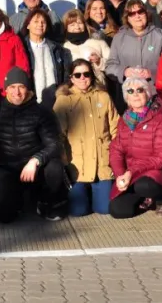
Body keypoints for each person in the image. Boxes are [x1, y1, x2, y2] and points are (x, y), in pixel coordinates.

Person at [0, 67, 67, 222]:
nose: (17, 92)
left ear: (28, 88)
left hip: (36, 167)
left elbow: (54, 144)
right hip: (9, 167)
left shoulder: (41, 111)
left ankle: (46, 200)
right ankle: (16, 199)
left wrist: (35, 160)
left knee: (54, 167)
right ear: (6, 89)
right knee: (4, 216)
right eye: (12, 87)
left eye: (21, 86)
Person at [53, 59, 118, 216]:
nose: (82, 78)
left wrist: (115, 156)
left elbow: (115, 128)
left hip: (102, 163)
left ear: (92, 76)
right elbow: (58, 135)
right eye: (78, 75)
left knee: (104, 209)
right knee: (79, 211)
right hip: (77, 165)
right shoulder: (64, 100)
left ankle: (97, 193)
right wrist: (64, 163)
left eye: (86, 74)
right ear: (71, 78)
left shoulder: (103, 97)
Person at [108, 75, 162, 219]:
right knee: (117, 210)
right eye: (130, 91)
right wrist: (120, 175)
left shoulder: (160, 118)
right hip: (131, 174)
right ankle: (145, 200)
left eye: (140, 90)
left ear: (147, 93)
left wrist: (131, 172)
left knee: (144, 185)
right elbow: (116, 150)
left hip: (156, 172)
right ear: (126, 97)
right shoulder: (124, 120)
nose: (135, 94)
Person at [104, 0, 162, 112]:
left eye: (140, 12)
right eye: (132, 13)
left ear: (146, 13)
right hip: (129, 99)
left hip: (155, 95)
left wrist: (151, 73)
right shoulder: (119, 38)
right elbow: (110, 67)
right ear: (127, 18)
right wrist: (124, 71)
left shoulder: (160, 35)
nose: (137, 16)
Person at [21, 8, 66, 109]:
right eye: (36, 21)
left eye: (43, 22)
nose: (40, 24)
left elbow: (64, 73)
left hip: (55, 102)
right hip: (31, 102)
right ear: (28, 25)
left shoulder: (56, 48)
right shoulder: (22, 47)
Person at [59, 9, 110, 84]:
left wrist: (99, 61)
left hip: (98, 86)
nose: (77, 27)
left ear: (84, 24)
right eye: (72, 25)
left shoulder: (98, 42)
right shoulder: (63, 47)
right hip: (73, 88)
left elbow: (113, 64)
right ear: (66, 28)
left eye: (80, 23)